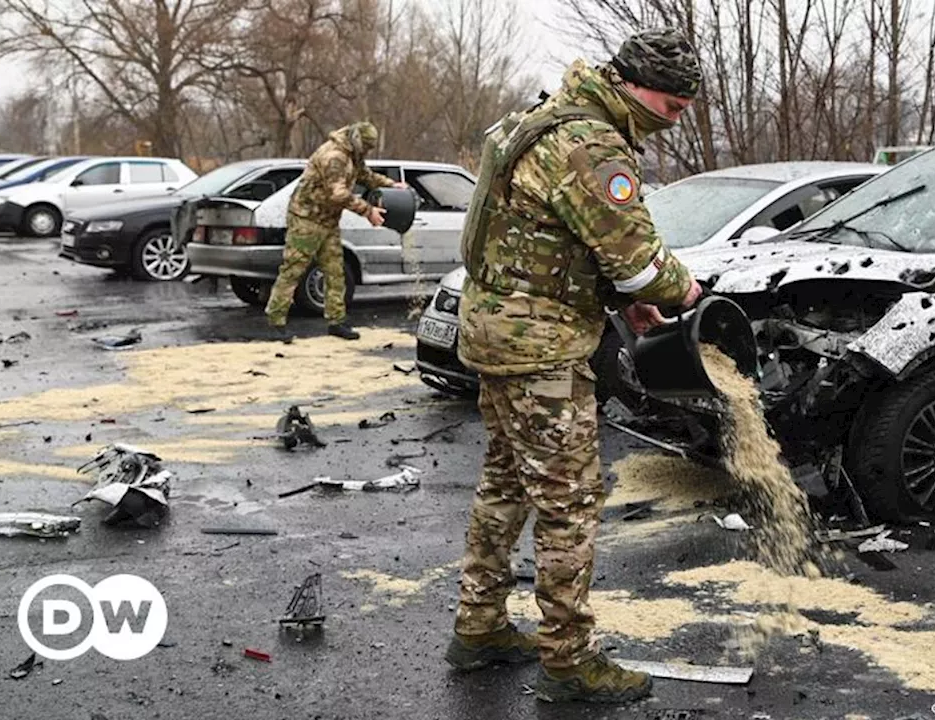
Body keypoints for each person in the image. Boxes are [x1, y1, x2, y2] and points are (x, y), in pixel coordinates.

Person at [443, 29, 705, 704]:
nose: (673, 118)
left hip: (495, 332)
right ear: (633, 82)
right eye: (671, 106)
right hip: (540, 351)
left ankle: (479, 628)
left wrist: (624, 303)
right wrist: (679, 292)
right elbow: (638, 257)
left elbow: (549, 237)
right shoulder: (591, 143)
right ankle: (569, 663)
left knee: (505, 484)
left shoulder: (541, 118)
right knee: (570, 502)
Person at [265, 121, 408, 342]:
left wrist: (391, 184)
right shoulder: (334, 157)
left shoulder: (352, 154)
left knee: (335, 271)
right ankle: (276, 320)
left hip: (328, 221)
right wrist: (367, 211)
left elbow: (365, 175)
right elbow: (338, 194)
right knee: (293, 269)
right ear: (358, 141)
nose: (366, 153)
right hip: (306, 219)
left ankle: (336, 321)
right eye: (366, 148)